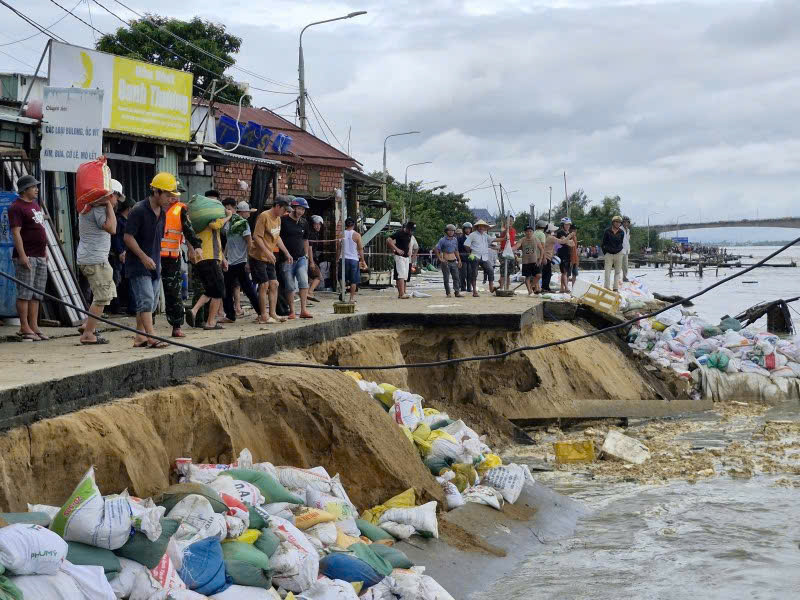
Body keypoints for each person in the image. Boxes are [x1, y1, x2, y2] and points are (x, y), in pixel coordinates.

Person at [124, 172, 178, 348]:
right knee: (146, 300)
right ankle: (152, 335)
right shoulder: (139, 210)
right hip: (139, 264)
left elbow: (158, 240)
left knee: (150, 303)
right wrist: (144, 257)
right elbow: (128, 237)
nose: (170, 199)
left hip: (154, 264)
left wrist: (158, 262)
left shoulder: (162, 213)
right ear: (156, 192)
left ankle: (140, 337)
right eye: (168, 195)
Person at [76, 180, 122, 344]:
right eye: (116, 197)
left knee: (104, 293)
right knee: (102, 297)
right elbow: (112, 228)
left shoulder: (91, 207)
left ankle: (87, 325)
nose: (117, 202)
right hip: (95, 259)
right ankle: (88, 334)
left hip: (94, 257)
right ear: (111, 194)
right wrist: (108, 204)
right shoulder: (98, 209)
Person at [8, 175, 49, 341]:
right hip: (27, 256)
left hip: (40, 255)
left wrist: (45, 251)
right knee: (25, 292)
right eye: (33, 187)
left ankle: (34, 325)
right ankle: (24, 326)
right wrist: (23, 255)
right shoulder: (16, 207)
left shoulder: (35, 205)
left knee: (36, 293)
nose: (36, 189)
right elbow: (16, 232)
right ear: (25, 189)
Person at [160, 182, 202, 337]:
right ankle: (145, 327)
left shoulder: (180, 210)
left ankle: (176, 325)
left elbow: (188, 230)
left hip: (172, 258)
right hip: (151, 256)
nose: (174, 196)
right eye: (171, 193)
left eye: (176, 193)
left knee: (174, 293)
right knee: (149, 292)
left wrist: (196, 246)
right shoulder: (152, 207)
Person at [186, 194, 230, 330]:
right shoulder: (210, 220)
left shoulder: (198, 222)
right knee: (219, 291)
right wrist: (229, 216)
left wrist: (222, 259)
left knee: (211, 290)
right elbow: (217, 225)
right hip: (208, 257)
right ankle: (211, 322)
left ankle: (194, 311)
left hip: (203, 259)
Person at [249, 195, 292, 323]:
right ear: (277, 206)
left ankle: (273, 313)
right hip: (258, 256)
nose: (286, 212)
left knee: (274, 284)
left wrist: (286, 252)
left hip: (269, 257)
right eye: (284, 209)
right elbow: (257, 237)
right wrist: (267, 252)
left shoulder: (278, 218)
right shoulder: (264, 216)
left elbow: (277, 237)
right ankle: (263, 315)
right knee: (264, 284)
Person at [220, 198, 261, 323]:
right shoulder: (231, 223)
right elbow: (229, 242)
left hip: (240, 261)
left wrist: (248, 262)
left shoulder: (242, 223)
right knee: (228, 289)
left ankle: (260, 313)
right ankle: (230, 315)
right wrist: (225, 257)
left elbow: (249, 243)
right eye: (247, 212)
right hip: (232, 262)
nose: (248, 214)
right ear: (241, 212)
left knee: (247, 288)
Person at [280, 197, 313, 318]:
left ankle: (303, 310)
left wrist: (306, 255)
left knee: (304, 282)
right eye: (299, 209)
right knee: (290, 285)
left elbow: (305, 240)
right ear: (293, 208)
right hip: (287, 259)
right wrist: (284, 254)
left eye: (303, 209)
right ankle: (292, 311)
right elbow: (278, 238)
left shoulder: (304, 222)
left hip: (301, 258)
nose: (300, 212)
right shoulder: (283, 220)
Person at [109, 195, 135, 315]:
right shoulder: (119, 220)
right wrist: (120, 251)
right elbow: (115, 238)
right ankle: (115, 307)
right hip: (118, 255)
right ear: (129, 209)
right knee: (116, 281)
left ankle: (128, 306)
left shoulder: (127, 222)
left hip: (126, 255)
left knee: (126, 281)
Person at [463, 219, 495, 296]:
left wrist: (504, 238)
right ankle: (474, 290)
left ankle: (491, 286)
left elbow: (493, 239)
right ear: (477, 227)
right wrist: (470, 253)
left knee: (490, 270)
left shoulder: (485, 235)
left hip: (484, 256)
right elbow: (466, 245)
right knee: (474, 273)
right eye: (479, 227)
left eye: (483, 227)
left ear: (485, 228)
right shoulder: (473, 234)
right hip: (475, 255)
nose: (481, 228)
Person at [339, 216, 366, 303]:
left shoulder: (341, 234)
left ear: (345, 225)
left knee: (341, 277)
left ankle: (343, 291)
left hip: (343, 259)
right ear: (354, 225)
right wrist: (363, 260)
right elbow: (360, 249)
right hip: (354, 260)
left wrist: (337, 259)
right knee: (353, 280)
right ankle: (351, 298)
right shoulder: (357, 235)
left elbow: (338, 248)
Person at [387, 222, 416, 299]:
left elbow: (409, 242)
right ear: (407, 228)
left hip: (406, 257)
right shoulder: (399, 233)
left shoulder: (410, 234)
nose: (411, 231)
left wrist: (410, 250)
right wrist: (396, 249)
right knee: (401, 275)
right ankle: (401, 293)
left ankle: (402, 292)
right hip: (399, 256)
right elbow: (389, 240)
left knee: (405, 275)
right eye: (410, 230)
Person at [434, 224, 462, 298]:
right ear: (446, 231)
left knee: (456, 277)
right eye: (449, 230)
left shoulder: (455, 240)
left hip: (454, 260)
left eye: (452, 231)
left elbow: (456, 250)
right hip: (446, 261)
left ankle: (457, 292)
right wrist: (440, 258)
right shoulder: (442, 240)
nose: (451, 232)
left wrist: (459, 260)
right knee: (446, 278)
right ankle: (448, 292)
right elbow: (436, 249)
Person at [514, 224, 542, 295]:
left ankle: (531, 286)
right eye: (527, 231)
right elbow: (516, 246)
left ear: (532, 232)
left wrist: (540, 260)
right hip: (526, 261)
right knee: (527, 277)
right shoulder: (522, 240)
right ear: (525, 232)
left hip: (534, 261)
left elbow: (541, 249)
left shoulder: (536, 239)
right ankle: (529, 291)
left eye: (530, 231)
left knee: (538, 275)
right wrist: (511, 249)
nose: (528, 233)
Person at [602, 215, 626, 291]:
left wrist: (620, 252)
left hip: (618, 253)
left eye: (619, 222)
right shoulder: (607, 231)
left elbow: (621, 242)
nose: (617, 224)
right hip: (608, 254)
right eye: (616, 222)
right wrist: (605, 253)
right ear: (613, 222)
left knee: (617, 272)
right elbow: (603, 243)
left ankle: (615, 288)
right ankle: (606, 287)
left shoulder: (621, 232)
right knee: (607, 271)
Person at [496, 215, 516, 291]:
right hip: (504, 251)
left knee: (508, 273)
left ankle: (507, 288)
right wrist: (506, 229)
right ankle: (501, 288)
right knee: (503, 271)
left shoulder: (514, 230)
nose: (510, 222)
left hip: (511, 251)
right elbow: (502, 238)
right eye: (508, 221)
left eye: (511, 221)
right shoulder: (504, 230)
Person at [555, 217, 574, 293]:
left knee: (566, 272)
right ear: (563, 225)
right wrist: (569, 240)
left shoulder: (568, 233)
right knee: (564, 272)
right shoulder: (560, 232)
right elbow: (564, 241)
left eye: (569, 225)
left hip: (568, 253)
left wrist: (568, 241)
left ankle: (562, 288)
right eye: (566, 225)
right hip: (562, 254)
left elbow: (571, 243)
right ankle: (566, 288)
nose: (568, 226)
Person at [307, 215, 324, 302]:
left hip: (311, 259)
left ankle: (307, 297)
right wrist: (311, 262)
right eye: (316, 224)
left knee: (310, 279)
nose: (318, 226)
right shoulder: (312, 234)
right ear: (313, 225)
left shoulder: (314, 234)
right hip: (310, 259)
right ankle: (310, 292)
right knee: (318, 277)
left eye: (319, 225)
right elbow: (309, 248)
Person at [457, 222, 474, 293]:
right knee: (463, 274)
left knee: (470, 274)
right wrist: (459, 259)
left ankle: (469, 288)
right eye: (466, 229)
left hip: (471, 258)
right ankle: (463, 287)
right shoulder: (460, 239)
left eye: (469, 229)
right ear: (464, 230)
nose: (467, 230)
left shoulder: (473, 238)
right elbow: (458, 249)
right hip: (463, 258)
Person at [541, 224, 557, 292]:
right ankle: (545, 287)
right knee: (548, 273)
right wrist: (569, 237)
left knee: (545, 273)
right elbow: (561, 241)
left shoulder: (545, 236)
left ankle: (544, 287)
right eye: (553, 230)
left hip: (545, 257)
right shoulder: (550, 237)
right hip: (546, 257)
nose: (554, 231)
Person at [621, 216, 632, 282]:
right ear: (622, 222)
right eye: (624, 222)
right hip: (620, 249)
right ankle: (622, 277)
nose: (626, 223)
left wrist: (628, 249)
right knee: (620, 265)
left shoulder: (628, 230)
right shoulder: (620, 229)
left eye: (627, 222)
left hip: (626, 249)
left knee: (626, 265)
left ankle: (624, 277)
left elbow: (627, 240)